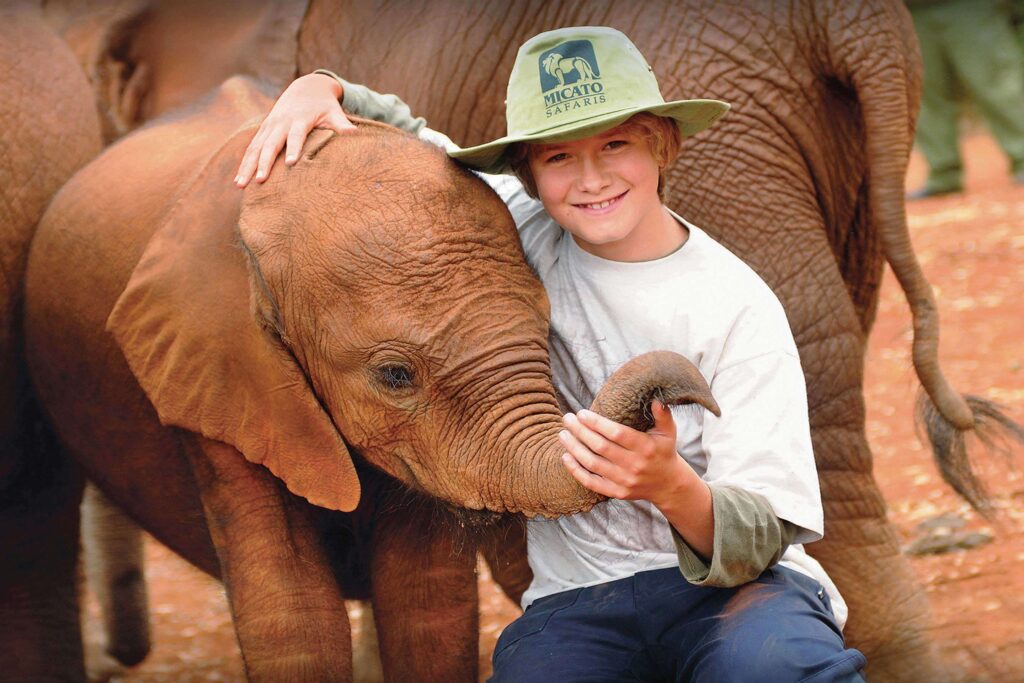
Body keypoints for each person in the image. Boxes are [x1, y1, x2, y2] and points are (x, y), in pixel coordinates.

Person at [236, 26, 866, 682]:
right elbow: (417, 139)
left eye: (615, 144)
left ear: (663, 144)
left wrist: (669, 484)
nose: (591, 179)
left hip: (743, 591)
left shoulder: (735, 305)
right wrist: (324, 87)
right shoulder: (511, 228)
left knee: (777, 668)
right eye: (560, 157)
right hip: (581, 600)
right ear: (527, 174)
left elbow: (765, 533)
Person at [906, 0, 1024, 198]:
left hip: (968, 7)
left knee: (997, 83)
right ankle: (943, 172)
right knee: (924, 94)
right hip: (910, 12)